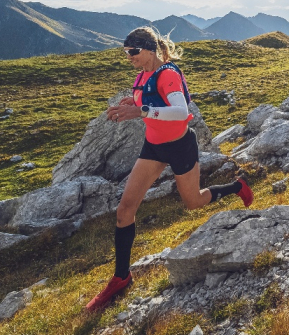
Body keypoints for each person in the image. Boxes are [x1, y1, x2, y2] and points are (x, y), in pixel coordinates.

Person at [86, 27, 253, 312]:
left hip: (179, 146)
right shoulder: (142, 76)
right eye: (126, 53)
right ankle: (121, 277)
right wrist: (132, 103)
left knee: (193, 201)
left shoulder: (168, 74)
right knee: (125, 210)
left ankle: (237, 187)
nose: (129, 58)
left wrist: (141, 111)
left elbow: (180, 110)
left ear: (149, 50)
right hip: (153, 147)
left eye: (133, 52)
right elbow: (147, 102)